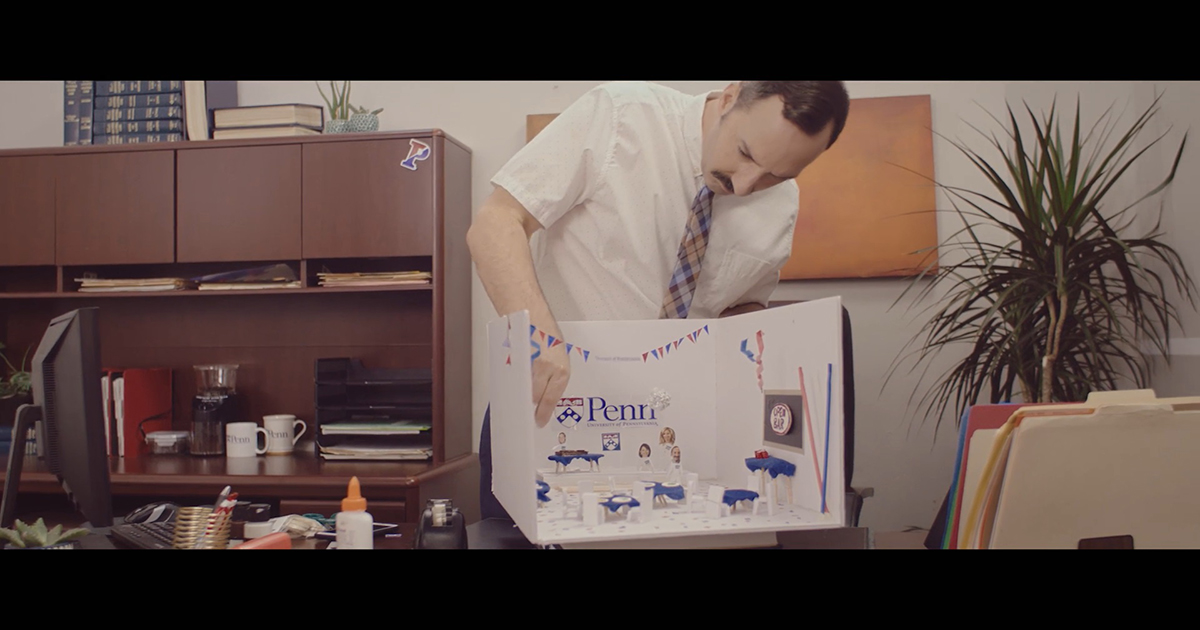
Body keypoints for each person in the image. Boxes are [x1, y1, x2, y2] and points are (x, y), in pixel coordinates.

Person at [469, 80, 850, 520]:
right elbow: (496, 223)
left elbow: (740, 309)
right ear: (730, 98)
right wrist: (539, 337)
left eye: (775, 176)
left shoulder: (781, 205)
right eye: (746, 154)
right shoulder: (620, 115)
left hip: (672, 434)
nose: (745, 186)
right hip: (554, 408)